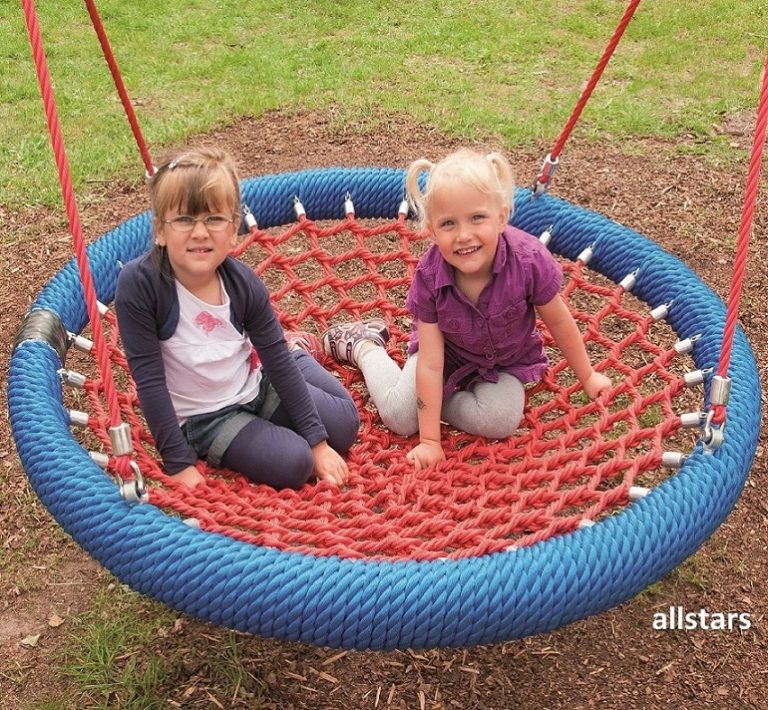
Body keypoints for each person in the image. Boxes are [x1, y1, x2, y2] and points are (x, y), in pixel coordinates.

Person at [322, 148, 611, 470]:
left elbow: (559, 322)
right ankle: (365, 347)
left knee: (501, 420)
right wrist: (430, 440)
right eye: (448, 224)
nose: (463, 235)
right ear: (431, 230)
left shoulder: (528, 260)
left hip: (504, 361)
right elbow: (431, 362)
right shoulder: (431, 277)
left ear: (501, 217)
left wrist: (588, 376)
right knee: (399, 419)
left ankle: (433, 403)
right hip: (446, 355)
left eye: (477, 218)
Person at [115, 147, 359, 489]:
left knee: (343, 426)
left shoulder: (243, 284)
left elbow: (276, 364)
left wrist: (319, 442)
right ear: (160, 230)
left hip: (256, 384)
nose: (199, 232)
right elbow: (150, 379)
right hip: (207, 416)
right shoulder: (141, 285)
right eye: (184, 219)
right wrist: (177, 461)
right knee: (294, 463)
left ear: (232, 230)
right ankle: (297, 357)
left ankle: (298, 352)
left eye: (214, 219)